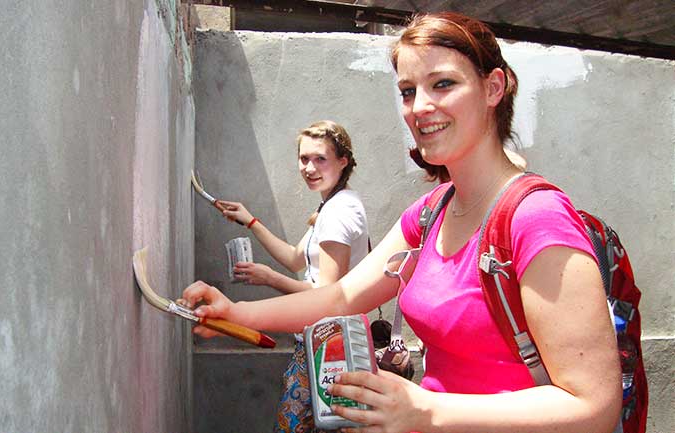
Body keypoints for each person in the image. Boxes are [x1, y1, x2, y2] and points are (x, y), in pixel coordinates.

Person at [182, 12, 621, 433]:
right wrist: (236, 311)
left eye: (443, 84)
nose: (419, 107)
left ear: (493, 88)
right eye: (408, 91)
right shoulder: (431, 211)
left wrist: (427, 411)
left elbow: (592, 407)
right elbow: (342, 296)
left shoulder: (536, 218)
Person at [216, 120, 370, 432]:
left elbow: (325, 294)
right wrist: (251, 221)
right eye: (304, 159)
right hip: (321, 342)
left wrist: (270, 278)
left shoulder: (337, 214)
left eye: (320, 159)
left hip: (328, 346)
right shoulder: (331, 206)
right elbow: (294, 257)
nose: (310, 168)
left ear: (343, 161)